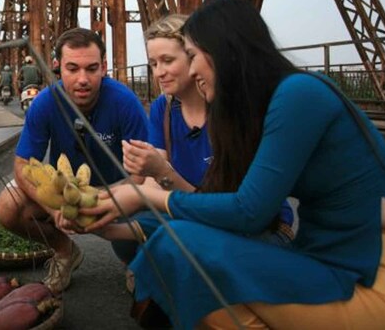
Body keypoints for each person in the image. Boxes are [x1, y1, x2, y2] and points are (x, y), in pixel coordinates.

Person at [81, 0, 385, 329]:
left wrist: (153, 196)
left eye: (190, 54)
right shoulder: (260, 108)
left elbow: (248, 212)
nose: (189, 67)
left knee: (181, 246)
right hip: (330, 262)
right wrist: (110, 226)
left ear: (220, 52)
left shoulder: (300, 94)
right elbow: (214, 211)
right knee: (180, 243)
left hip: (380, 279)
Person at [112, 15, 293, 267]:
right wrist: (108, 214)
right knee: (125, 224)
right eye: (153, 64)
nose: (159, 73)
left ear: (194, 57)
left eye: (168, 60)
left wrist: (160, 172)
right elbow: (153, 187)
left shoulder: (234, 111)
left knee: (176, 242)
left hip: (256, 229)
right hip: (195, 216)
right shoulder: (163, 109)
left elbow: (230, 211)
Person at [0, 27, 152, 294]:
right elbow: (22, 166)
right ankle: (65, 251)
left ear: (104, 67)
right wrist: (54, 209)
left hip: (118, 190)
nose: (83, 79)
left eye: (91, 69)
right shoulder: (44, 103)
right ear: (57, 67)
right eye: (72, 68)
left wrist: (100, 198)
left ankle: (136, 261)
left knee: (153, 206)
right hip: (66, 192)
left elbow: (145, 174)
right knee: (8, 206)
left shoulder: (125, 102)